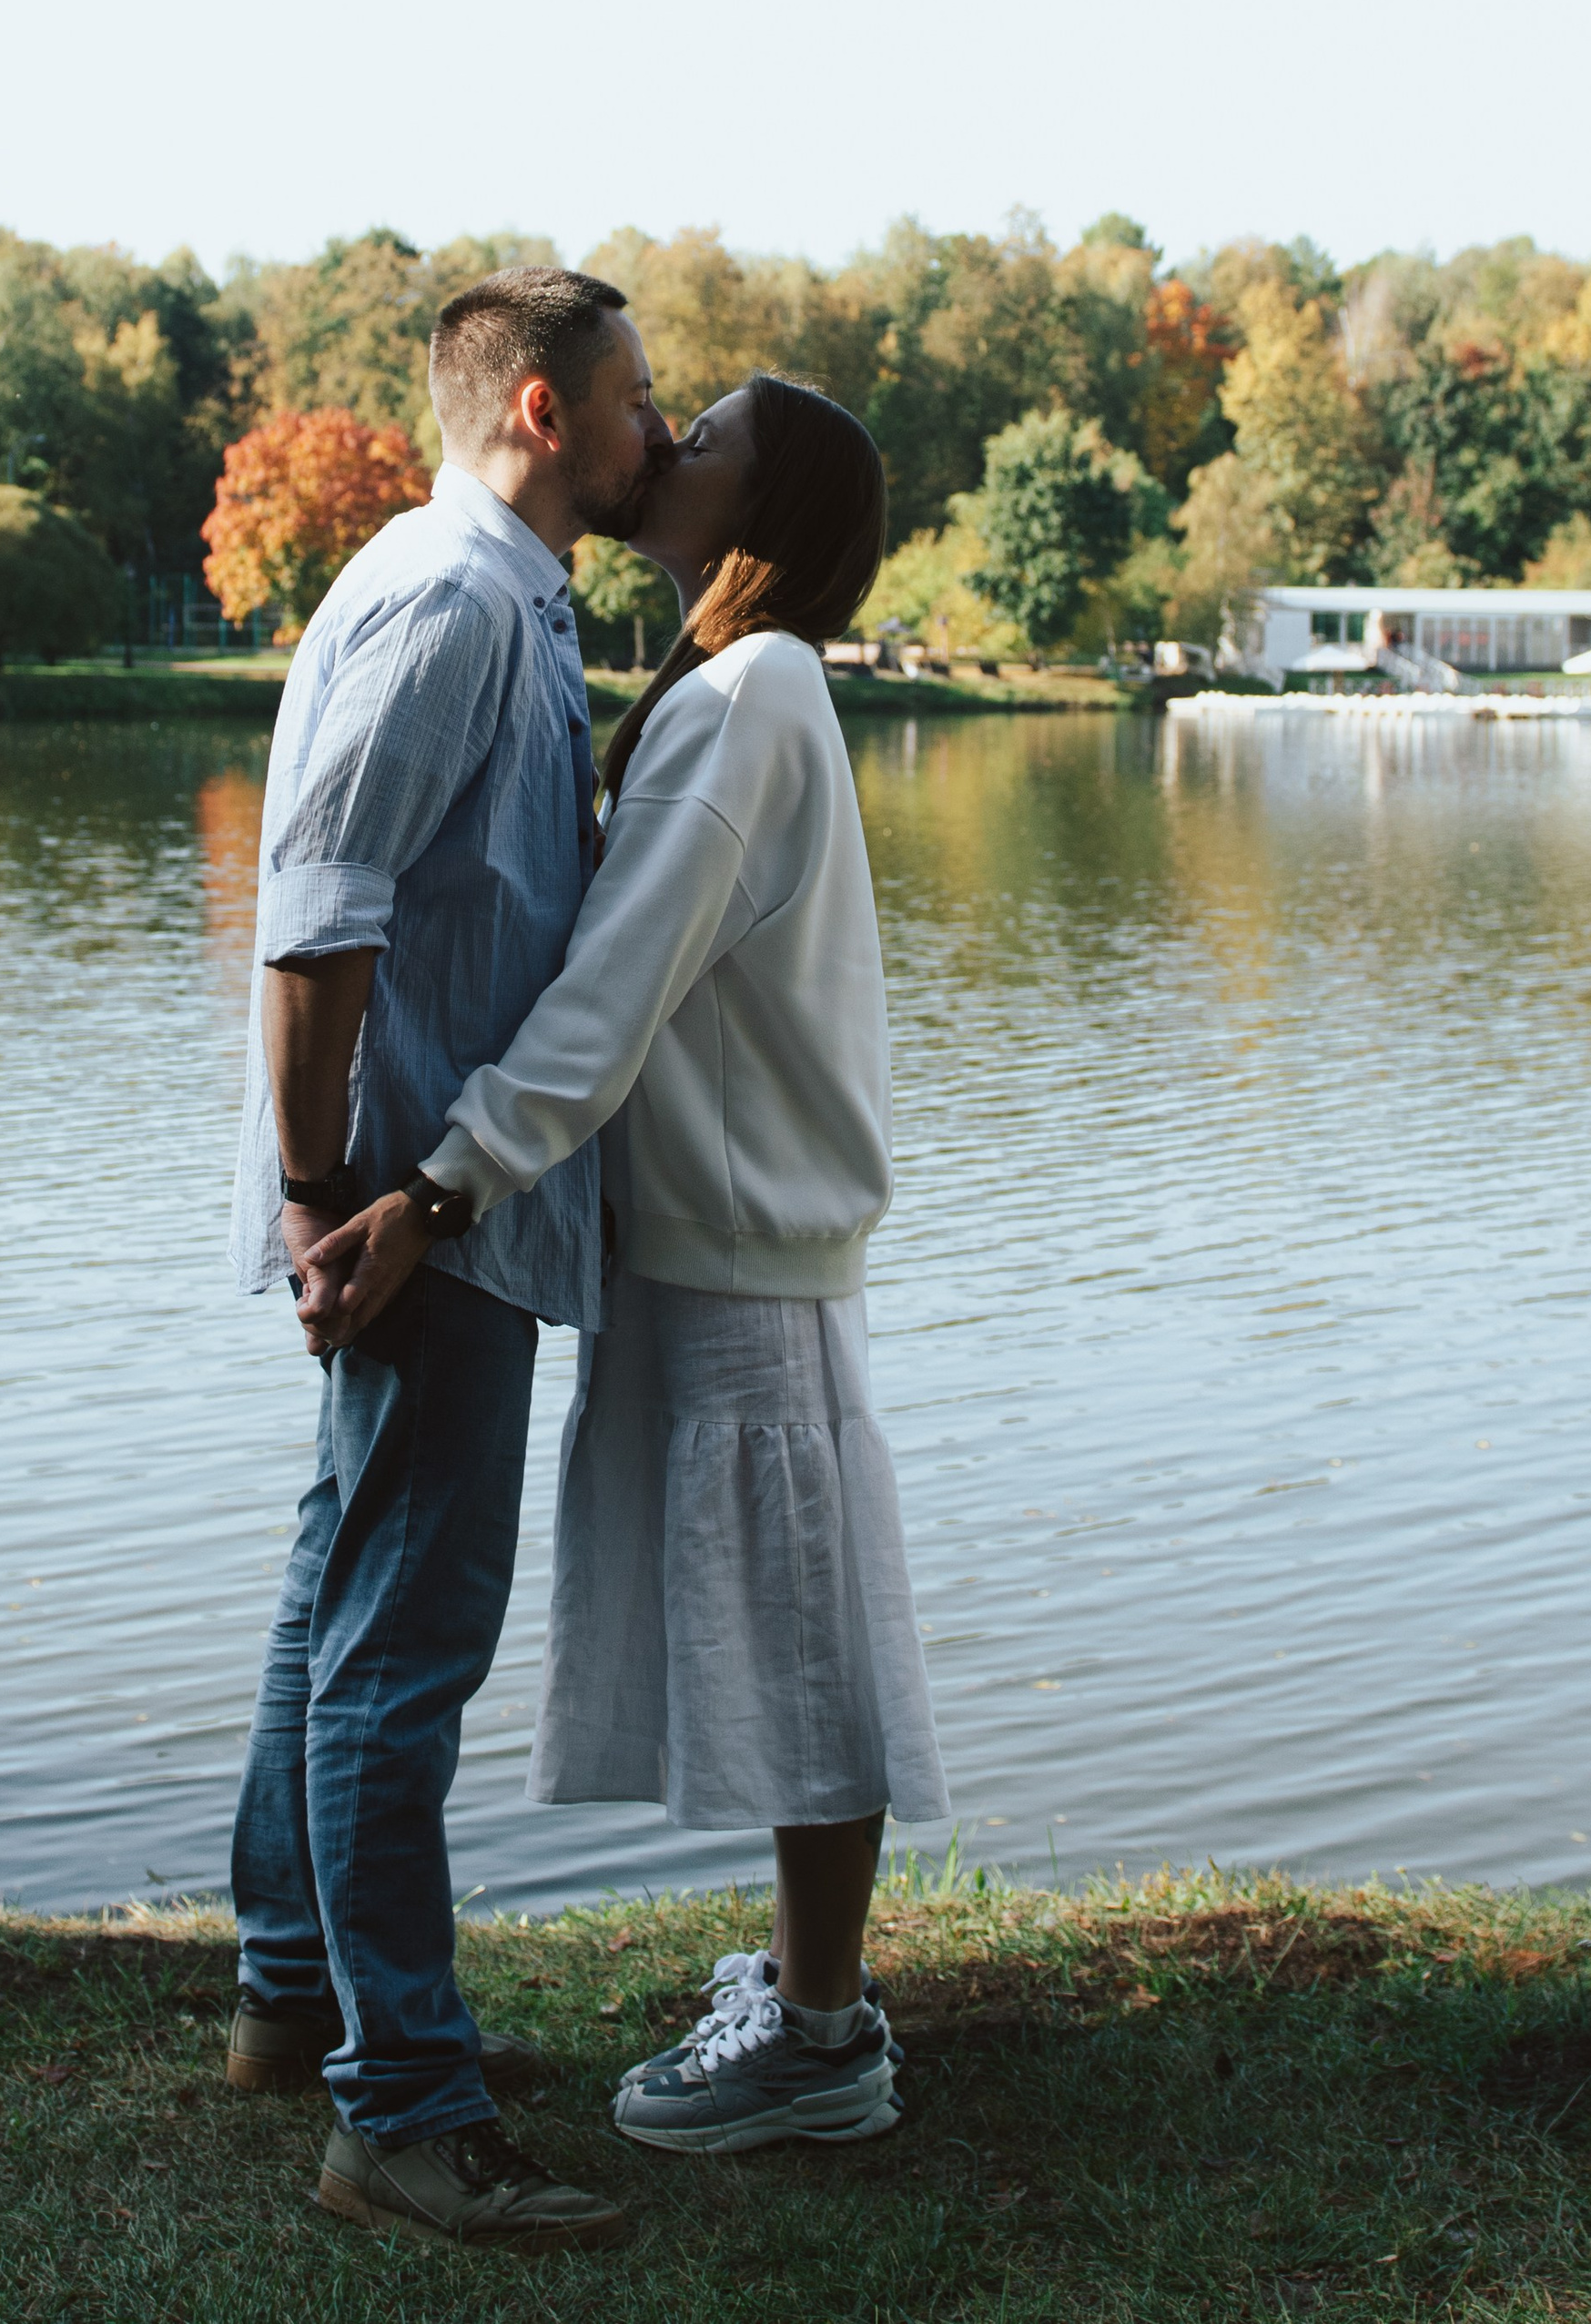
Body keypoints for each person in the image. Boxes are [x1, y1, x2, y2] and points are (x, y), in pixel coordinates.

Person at [299, 370, 948, 2160]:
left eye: (706, 436)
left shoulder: (753, 694)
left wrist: (434, 1192)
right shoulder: (727, 689)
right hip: (711, 1235)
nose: (666, 448)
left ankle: (821, 2037)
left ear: (763, 510)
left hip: (746, 1252)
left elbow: (607, 1000)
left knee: (802, 1635)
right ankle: (811, 1992)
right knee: (781, 1615)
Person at [225, 265, 668, 2256]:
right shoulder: (453, 601)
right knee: (399, 1652)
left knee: (339, 1591)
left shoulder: (491, 595)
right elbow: (312, 918)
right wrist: (337, 1192)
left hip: (412, 1202)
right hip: (416, 1219)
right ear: (548, 414)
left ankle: (289, 1994)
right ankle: (398, 2108)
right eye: (640, 400)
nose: (662, 433)